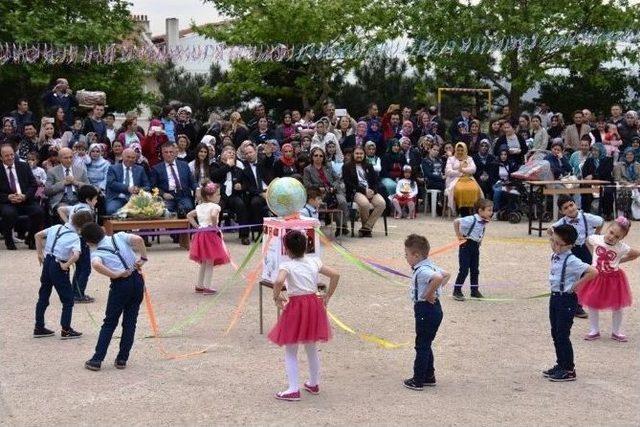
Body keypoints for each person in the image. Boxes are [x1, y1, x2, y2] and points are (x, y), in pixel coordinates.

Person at [268, 230, 339, 401]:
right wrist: (328, 295)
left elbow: (278, 281)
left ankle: (293, 389)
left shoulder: (287, 265)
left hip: (297, 306)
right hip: (314, 305)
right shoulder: (314, 261)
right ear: (306, 246)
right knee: (311, 347)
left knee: (291, 350)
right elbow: (336, 274)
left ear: (286, 249)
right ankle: (313, 383)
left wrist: (276, 296)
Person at [82, 223, 148, 371]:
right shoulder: (119, 236)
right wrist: (143, 258)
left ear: (89, 242)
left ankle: (97, 359)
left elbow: (96, 265)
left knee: (109, 322)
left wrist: (115, 274)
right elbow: (138, 239)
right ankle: (122, 359)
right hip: (137, 280)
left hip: (120, 285)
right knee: (130, 322)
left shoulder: (97, 252)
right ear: (102, 231)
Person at [542, 224, 597, 382]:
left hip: (566, 300)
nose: (555, 246)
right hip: (555, 298)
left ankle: (568, 369)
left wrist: (578, 284)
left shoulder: (572, 260)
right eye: (553, 242)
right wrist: (553, 234)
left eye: (559, 244)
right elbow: (551, 232)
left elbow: (593, 272)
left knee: (562, 334)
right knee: (555, 333)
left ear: (570, 245)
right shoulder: (556, 254)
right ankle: (561, 364)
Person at [33, 210, 93, 339]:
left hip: (48, 262)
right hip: (59, 266)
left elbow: (38, 235)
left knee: (43, 295)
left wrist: (39, 253)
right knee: (68, 299)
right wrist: (65, 265)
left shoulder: (57, 227)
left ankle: (38, 326)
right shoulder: (75, 237)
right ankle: (66, 329)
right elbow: (76, 255)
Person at [577, 217, 639, 342]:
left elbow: (636, 253)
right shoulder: (596, 239)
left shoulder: (622, 247)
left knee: (617, 305)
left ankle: (616, 332)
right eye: (611, 232)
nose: (612, 237)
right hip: (595, 277)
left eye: (617, 236)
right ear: (608, 228)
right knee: (592, 302)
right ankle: (594, 330)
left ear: (621, 238)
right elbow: (588, 241)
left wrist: (618, 261)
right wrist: (592, 255)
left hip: (613, 279)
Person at [402, 234, 450, 390]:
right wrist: (436, 291)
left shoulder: (422, 270)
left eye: (407, 255)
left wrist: (428, 294)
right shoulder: (431, 265)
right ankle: (429, 375)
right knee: (426, 343)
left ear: (416, 255)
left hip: (425, 309)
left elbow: (437, 278)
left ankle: (418, 379)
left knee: (421, 345)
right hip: (434, 309)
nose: (406, 258)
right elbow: (446, 274)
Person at [549, 195, 604, 318]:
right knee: (573, 276)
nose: (570, 209)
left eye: (571, 205)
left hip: (585, 248)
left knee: (587, 273)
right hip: (571, 250)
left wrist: (596, 234)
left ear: (575, 204)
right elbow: (551, 229)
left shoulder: (586, 217)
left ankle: (585, 299)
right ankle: (576, 305)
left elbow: (601, 221)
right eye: (565, 208)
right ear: (562, 211)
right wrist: (553, 238)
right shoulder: (561, 223)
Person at [57, 184, 99, 303]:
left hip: (73, 237)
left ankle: (75, 292)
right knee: (85, 268)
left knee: (80, 267)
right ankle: (78, 294)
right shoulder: (86, 211)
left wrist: (68, 225)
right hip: (81, 240)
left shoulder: (75, 207)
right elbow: (88, 228)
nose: (96, 201)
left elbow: (60, 209)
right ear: (88, 200)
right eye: (95, 199)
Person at [186, 181, 230, 295]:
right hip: (210, 235)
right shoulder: (216, 206)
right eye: (218, 194)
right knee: (209, 261)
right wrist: (215, 226)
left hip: (201, 234)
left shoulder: (199, 206)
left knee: (204, 262)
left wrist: (197, 226)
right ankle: (207, 287)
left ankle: (199, 286)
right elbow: (214, 215)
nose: (219, 197)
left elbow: (189, 215)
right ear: (210, 196)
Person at [0, 144, 44, 250]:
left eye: (12, 154)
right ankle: (8, 239)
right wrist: (8, 197)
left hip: (25, 199)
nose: (10, 157)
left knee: (39, 211)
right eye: (6, 156)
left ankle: (31, 239)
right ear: (1, 157)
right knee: (8, 213)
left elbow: (33, 184)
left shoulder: (23, 166)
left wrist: (25, 196)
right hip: (7, 202)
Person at [303, 147, 349, 236]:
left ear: (323, 157)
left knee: (342, 202)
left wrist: (333, 187)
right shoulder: (307, 169)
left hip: (333, 191)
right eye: (316, 155)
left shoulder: (328, 166)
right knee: (332, 204)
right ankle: (339, 226)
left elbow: (337, 179)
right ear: (312, 157)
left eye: (321, 156)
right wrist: (320, 188)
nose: (318, 157)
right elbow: (307, 184)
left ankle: (342, 226)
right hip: (319, 193)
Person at [452, 198, 493, 300]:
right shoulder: (471, 219)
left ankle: (474, 291)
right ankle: (457, 291)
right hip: (466, 245)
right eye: (489, 210)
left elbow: (482, 229)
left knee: (475, 270)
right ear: (480, 211)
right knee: (464, 270)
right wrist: (459, 236)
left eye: (491, 210)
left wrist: (480, 239)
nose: (491, 213)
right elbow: (456, 222)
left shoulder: (484, 220)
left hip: (475, 246)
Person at [342, 146, 386, 237]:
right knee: (365, 204)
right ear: (353, 154)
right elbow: (348, 183)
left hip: (370, 191)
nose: (359, 155)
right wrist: (364, 191)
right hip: (356, 191)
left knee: (381, 203)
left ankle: (366, 228)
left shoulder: (369, 165)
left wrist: (373, 191)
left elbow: (375, 181)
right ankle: (366, 230)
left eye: (361, 154)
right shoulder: (346, 166)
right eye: (357, 153)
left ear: (364, 155)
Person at [211, 147, 251, 245]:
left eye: (233, 153)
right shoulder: (215, 165)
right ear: (222, 155)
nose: (232, 154)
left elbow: (246, 184)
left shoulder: (238, 169)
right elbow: (214, 176)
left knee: (241, 205)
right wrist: (227, 166)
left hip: (233, 196)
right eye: (229, 152)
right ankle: (215, 235)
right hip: (220, 196)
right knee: (217, 208)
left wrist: (241, 186)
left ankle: (244, 235)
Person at [151, 143, 197, 215]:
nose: (168, 154)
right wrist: (163, 194)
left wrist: (198, 190)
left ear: (175, 153)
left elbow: (192, 182)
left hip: (183, 195)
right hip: (167, 196)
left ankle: (186, 226)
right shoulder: (156, 168)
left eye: (171, 152)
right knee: (165, 211)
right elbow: (153, 187)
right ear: (162, 154)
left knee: (187, 208)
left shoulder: (184, 165)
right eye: (166, 152)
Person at [105, 148, 151, 215]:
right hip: (118, 198)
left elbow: (147, 186)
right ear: (123, 157)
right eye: (128, 157)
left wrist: (138, 189)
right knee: (111, 210)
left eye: (133, 158)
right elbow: (111, 183)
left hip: (136, 199)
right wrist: (128, 188)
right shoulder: (113, 168)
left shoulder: (140, 169)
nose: (130, 160)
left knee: (148, 212)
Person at [445, 142, 482, 216]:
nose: (460, 152)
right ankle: (462, 211)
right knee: (460, 190)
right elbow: (448, 171)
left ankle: (471, 210)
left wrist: (463, 170)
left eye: (462, 150)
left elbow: (473, 169)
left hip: (468, 179)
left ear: (465, 150)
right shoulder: (451, 159)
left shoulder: (469, 159)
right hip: (455, 180)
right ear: (455, 150)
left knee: (475, 189)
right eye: (458, 150)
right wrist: (459, 172)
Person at [613, 147, 640, 218]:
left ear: (634, 156)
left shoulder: (637, 165)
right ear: (625, 156)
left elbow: (639, 177)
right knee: (625, 192)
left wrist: (636, 183)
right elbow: (618, 178)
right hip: (624, 185)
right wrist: (627, 183)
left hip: (635, 185)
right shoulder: (619, 165)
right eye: (627, 154)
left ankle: (635, 214)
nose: (629, 156)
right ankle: (626, 213)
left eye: (631, 154)